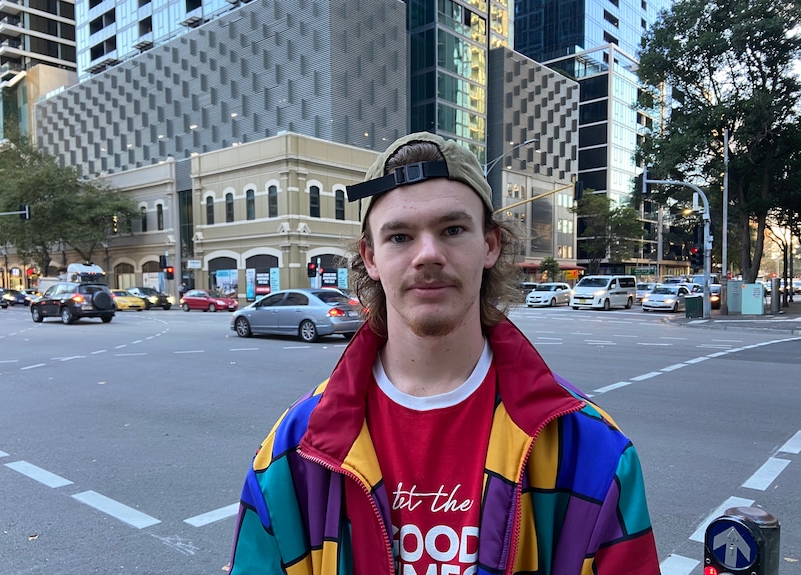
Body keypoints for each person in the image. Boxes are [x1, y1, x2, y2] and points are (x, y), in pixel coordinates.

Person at [228, 132, 660, 574]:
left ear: (490, 244)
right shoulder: (295, 449)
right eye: (399, 236)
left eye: (452, 229)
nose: (428, 254)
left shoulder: (589, 449)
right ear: (370, 258)